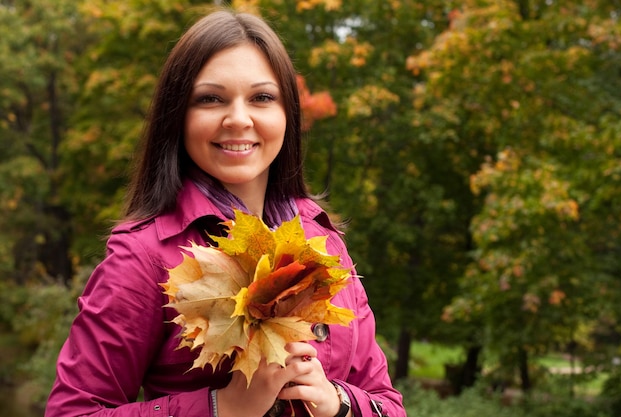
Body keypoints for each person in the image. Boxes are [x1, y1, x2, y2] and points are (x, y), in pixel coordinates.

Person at [45, 8, 406, 417]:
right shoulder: (144, 256)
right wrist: (222, 407)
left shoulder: (323, 242)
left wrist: (336, 402)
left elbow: (388, 404)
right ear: (177, 116)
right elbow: (72, 411)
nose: (238, 119)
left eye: (262, 98)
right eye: (211, 99)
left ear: (287, 115)